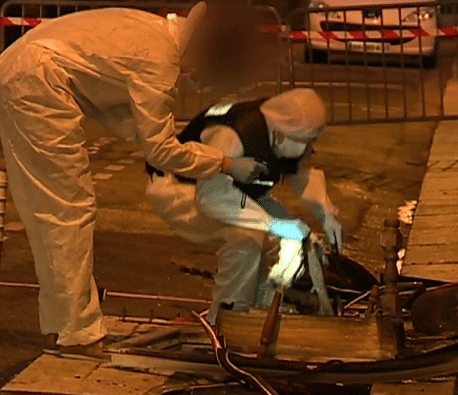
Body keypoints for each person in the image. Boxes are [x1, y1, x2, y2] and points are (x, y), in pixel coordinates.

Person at [0, 2, 268, 359]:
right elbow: (161, 151)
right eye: (208, 73)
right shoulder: (159, 60)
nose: (198, 82)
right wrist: (227, 163)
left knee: (53, 209)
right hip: (34, 79)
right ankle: (78, 331)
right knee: (65, 210)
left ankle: (68, 322)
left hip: (26, 69)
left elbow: (127, 108)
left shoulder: (157, 33)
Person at [146, 88, 342, 324]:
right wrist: (275, 225)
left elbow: (300, 172)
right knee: (246, 239)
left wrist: (325, 212)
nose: (310, 149)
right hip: (181, 188)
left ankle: (260, 307)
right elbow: (211, 198)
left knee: (287, 241)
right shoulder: (234, 135)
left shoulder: (281, 129)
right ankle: (227, 320)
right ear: (282, 134)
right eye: (307, 141)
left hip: (234, 190)